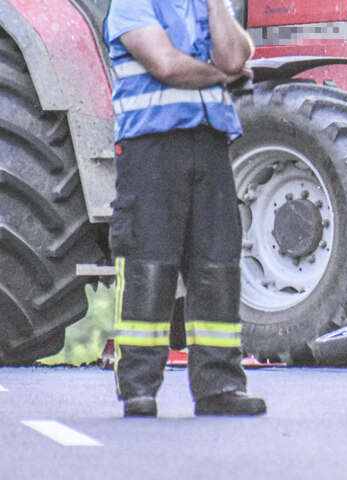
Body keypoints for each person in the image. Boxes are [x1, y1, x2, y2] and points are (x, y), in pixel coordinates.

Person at [104, 0, 266, 417]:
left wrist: (216, 5)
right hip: (151, 148)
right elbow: (166, 65)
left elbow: (235, 54)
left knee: (218, 268)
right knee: (149, 266)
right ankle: (139, 386)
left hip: (209, 144)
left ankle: (220, 387)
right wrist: (220, 76)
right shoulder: (133, 4)